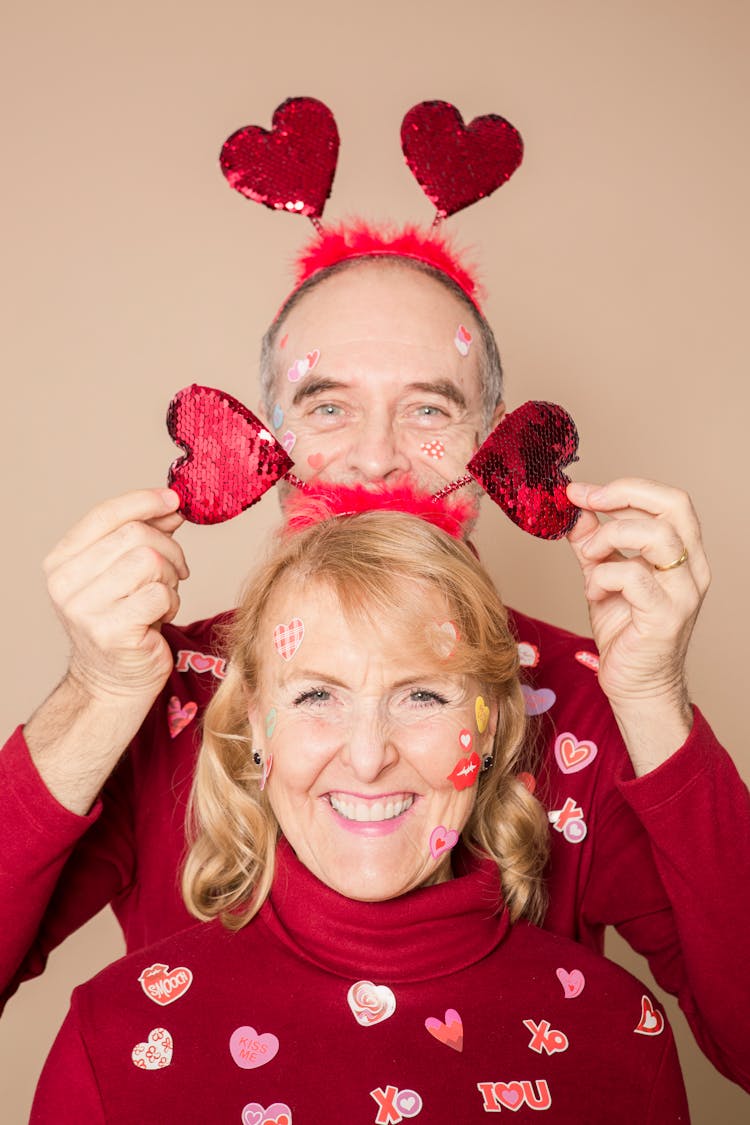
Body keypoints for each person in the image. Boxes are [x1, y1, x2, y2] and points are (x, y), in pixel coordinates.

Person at [1, 225, 749, 1094]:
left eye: (429, 409)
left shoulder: (586, 700)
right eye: (327, 406)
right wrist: (96, 693)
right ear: (262, 443)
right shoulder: (162, 691)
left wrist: (654, 695)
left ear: (492, 453)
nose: (375, 456)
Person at [31, 510, 690, 1123]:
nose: (369, 757)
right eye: (318, 694)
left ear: (490, 725)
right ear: (255, 723)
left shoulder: (617, 1029)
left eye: (423, 695)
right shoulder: (116, 1032)